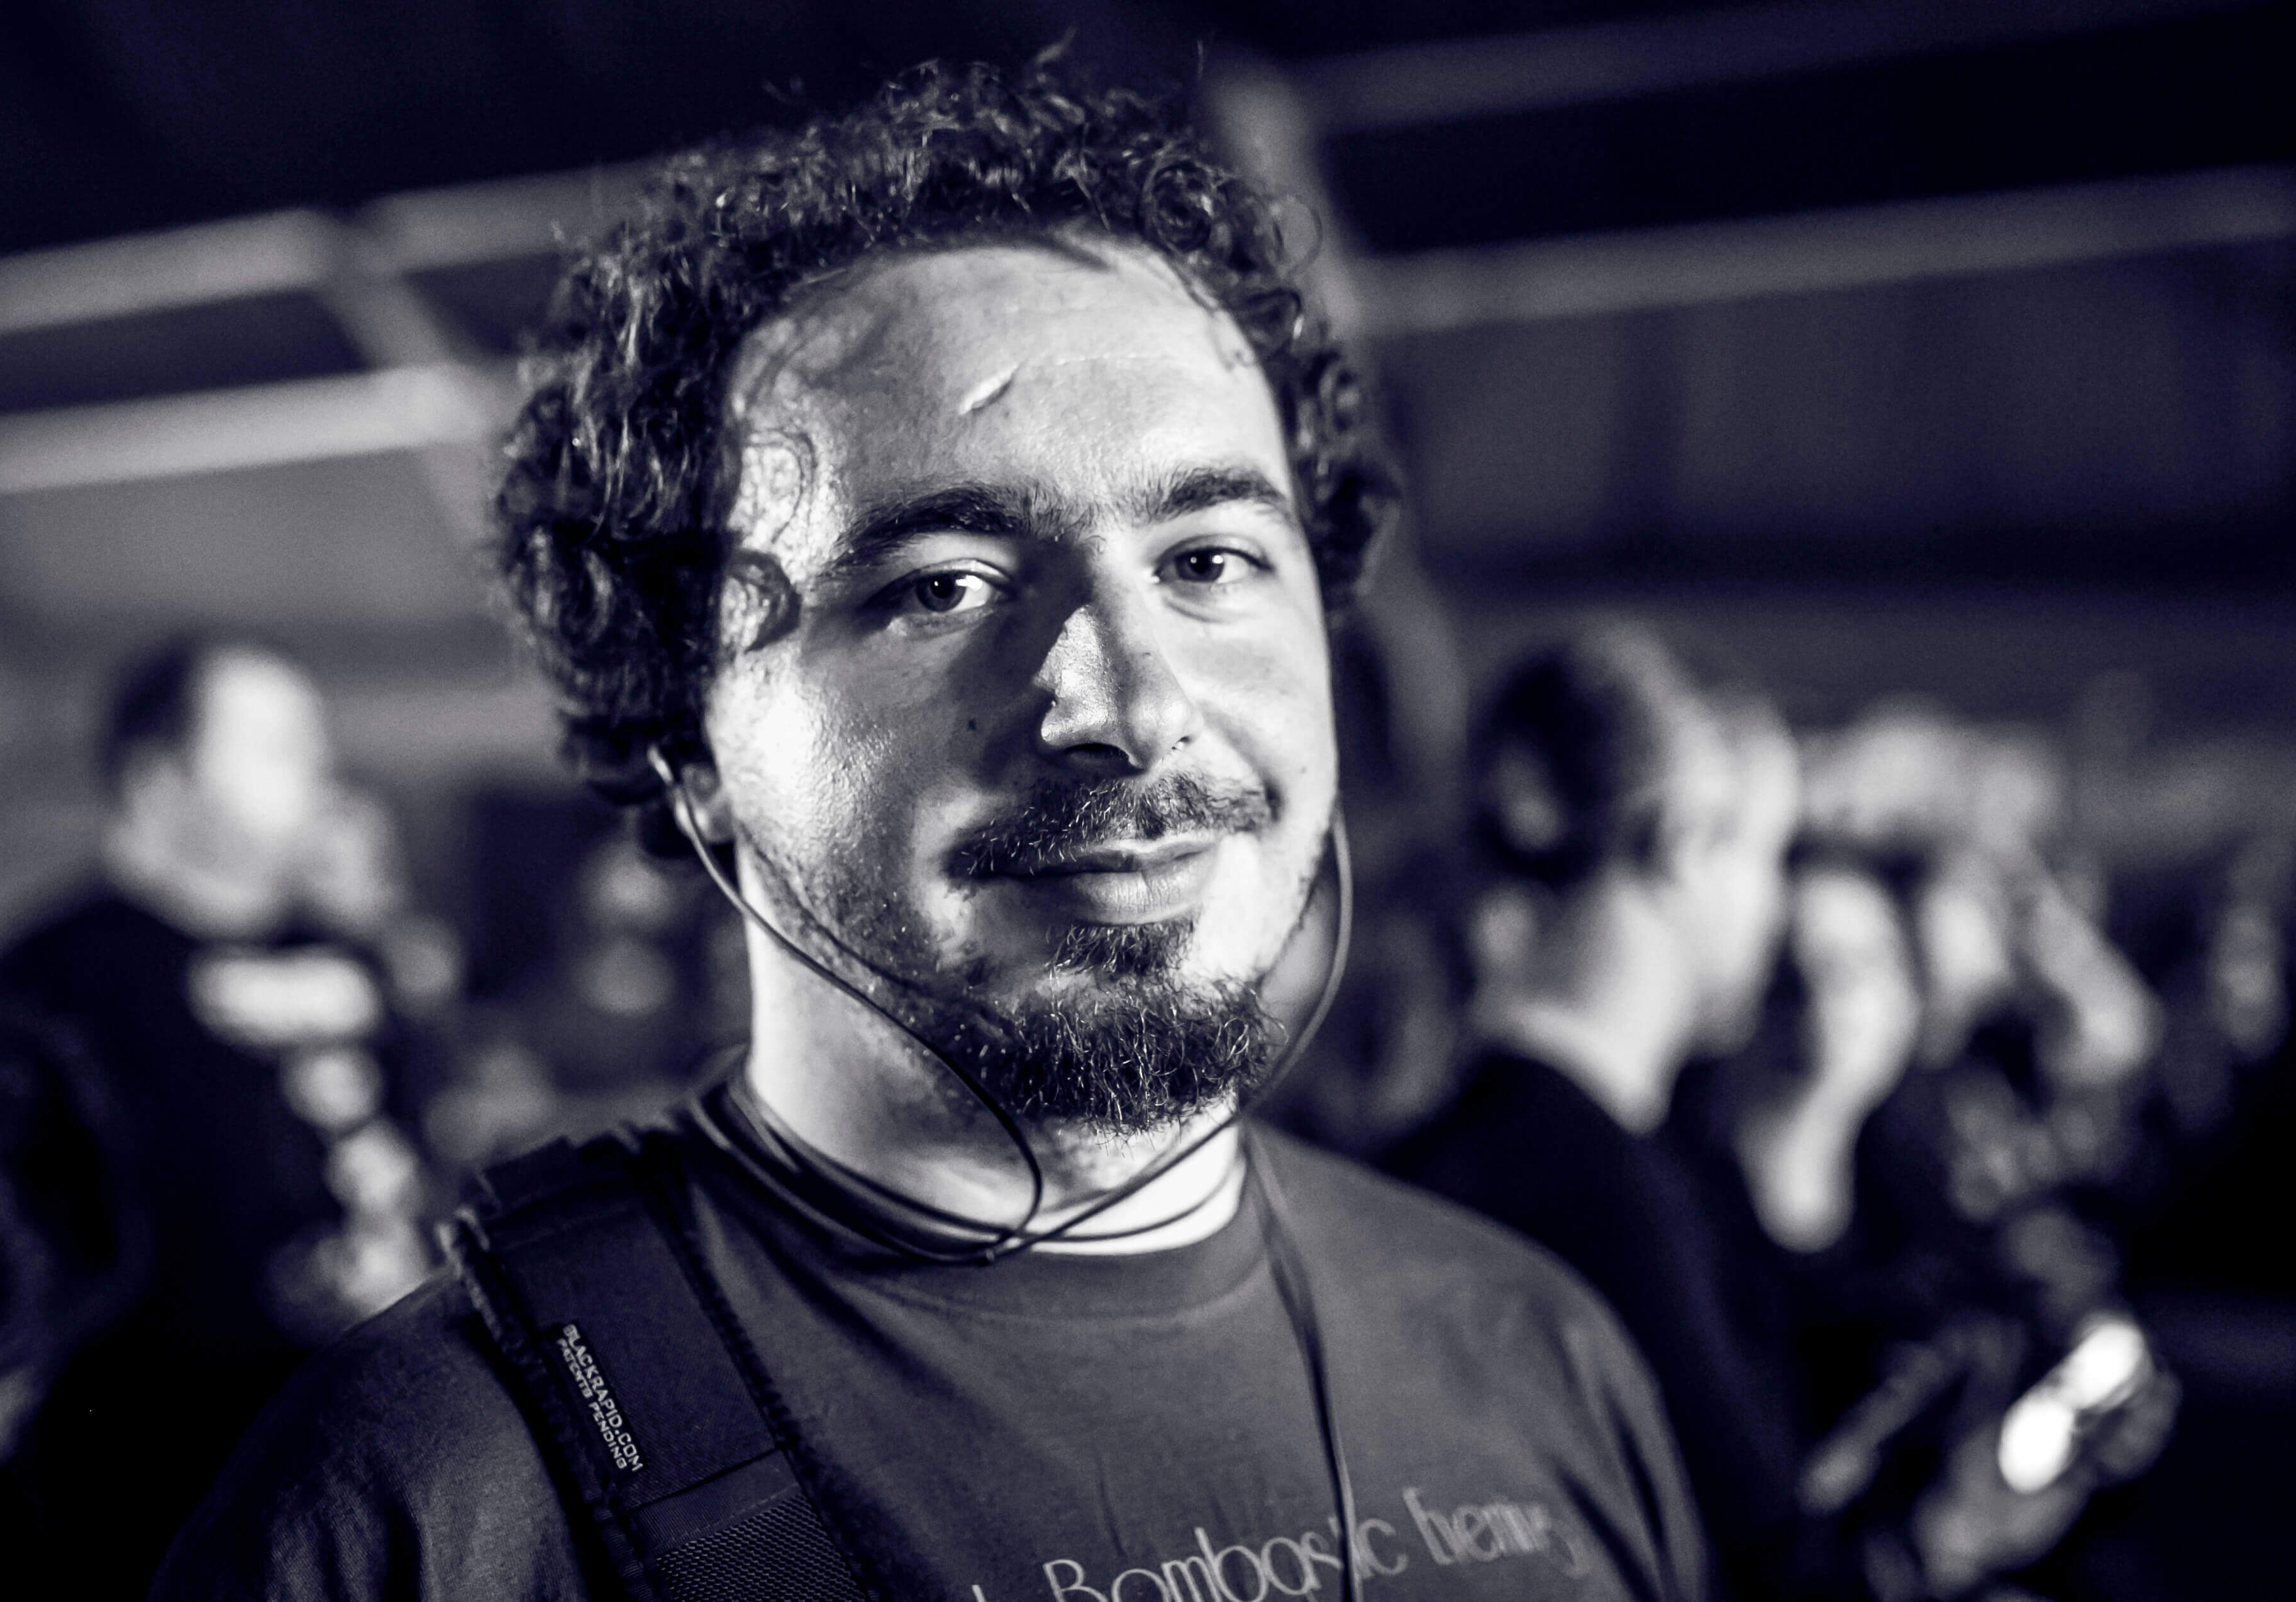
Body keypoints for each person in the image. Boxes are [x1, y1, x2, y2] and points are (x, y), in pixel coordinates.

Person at [156, 61, 1710, 1602]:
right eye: (943, 587)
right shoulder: (435, 1502)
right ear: (684, 733)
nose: (1133, 705)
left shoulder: (1538, 1351)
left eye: (1209, 559)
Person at [0, 636, 432, 1596]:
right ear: (161, 779)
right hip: (134, 1514)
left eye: (315, 741)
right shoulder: (50, 986)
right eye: (275, 746)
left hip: (348, 1485)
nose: (318, 768)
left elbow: (415, 1159)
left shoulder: (353, 963)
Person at [1383, 628, 1823, 1600]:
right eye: (1768, 855)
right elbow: (1756, 1552)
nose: (1776, 909)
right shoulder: (1602, 1196)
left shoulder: (1468, 1144)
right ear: (1684, 847)